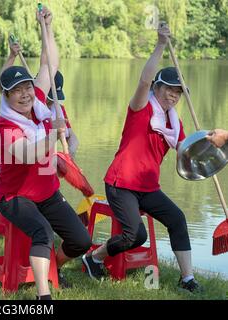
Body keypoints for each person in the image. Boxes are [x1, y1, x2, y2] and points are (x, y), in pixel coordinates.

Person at [82, 23, 202, 293]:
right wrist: (160, 44)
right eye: (169, 89)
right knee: (136, 235)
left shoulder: (174, 122)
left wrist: (207, 151)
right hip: (120, 183)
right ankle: (93, 258)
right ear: (157, 87)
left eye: (178, 91)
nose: (173, 95)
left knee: (178, 219)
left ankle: (187, 279)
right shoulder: (141, 107)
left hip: (148, 187)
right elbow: (143, 80)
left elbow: (185, 153)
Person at [0, 6, 91, 300]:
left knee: (81, 240)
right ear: (6, 95)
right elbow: (27, 154)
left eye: (27, 87)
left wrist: (46, 27)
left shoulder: (37, 102)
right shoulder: (4, 124)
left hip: (47, 191)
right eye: (17, 91)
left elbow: (51, 64)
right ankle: (43, 295)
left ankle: (54, 267)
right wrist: (53, 133)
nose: (25, 94)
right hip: (16, 197)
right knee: (42, 233)